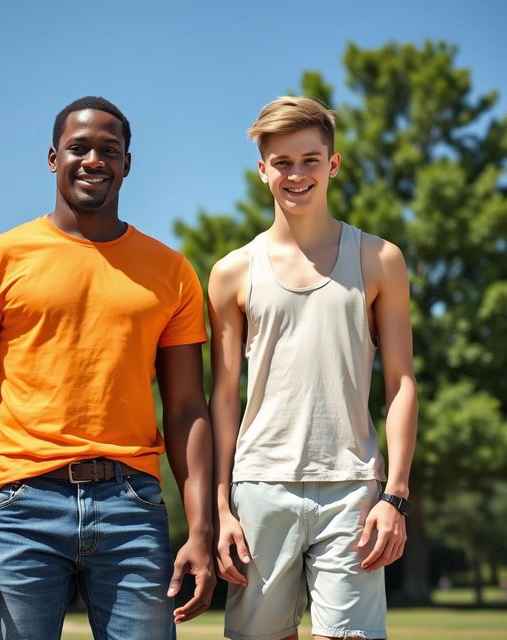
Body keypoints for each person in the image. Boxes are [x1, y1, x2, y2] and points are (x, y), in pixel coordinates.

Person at [0, 96, 215, 640]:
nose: (93, 160)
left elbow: (186, 408)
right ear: (52, 157)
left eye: (109, 149)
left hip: (133, 508)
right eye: (78, 147)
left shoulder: (172, 272)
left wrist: (199, 529)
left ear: (127, 163)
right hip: (22, 507)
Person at [208, 96, 418, 640]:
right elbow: (224, 396)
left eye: (309, 160)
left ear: (333, 163)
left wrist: (394, 494)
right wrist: (220, 509)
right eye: (282, 162)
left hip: (353, 489)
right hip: (258, 487)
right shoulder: (232, 272)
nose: (296, 174)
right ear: (262, 170)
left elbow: (400, 383)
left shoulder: (379, 259)